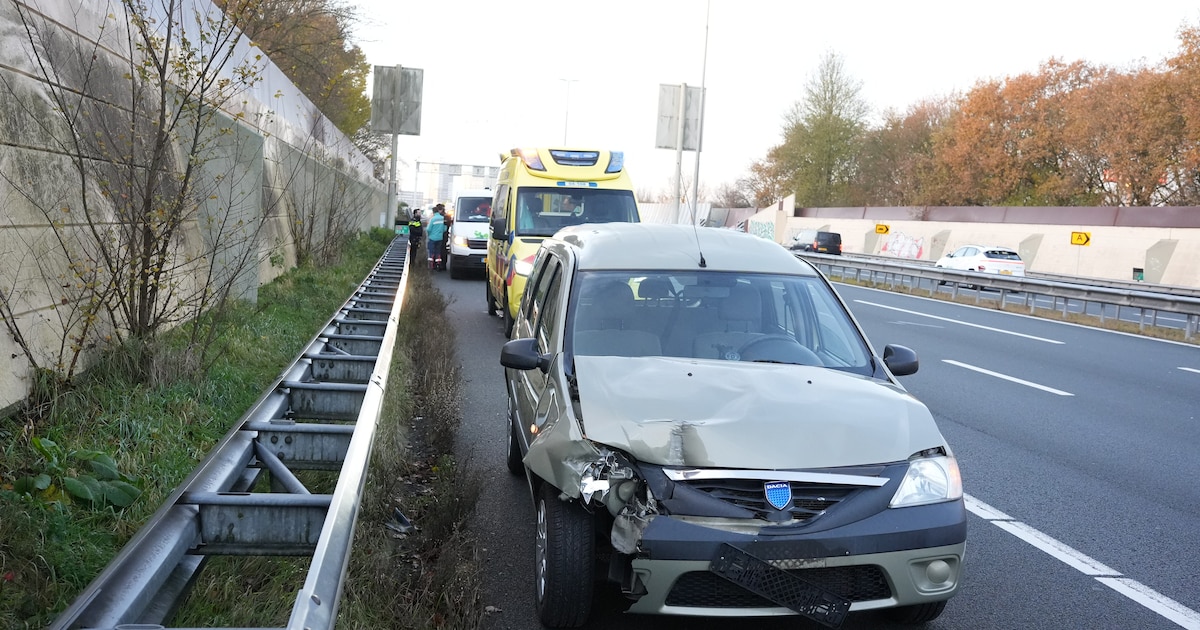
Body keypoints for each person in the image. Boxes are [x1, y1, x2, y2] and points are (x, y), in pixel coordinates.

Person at [426, 204, 447, 270]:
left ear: (433, 212)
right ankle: (438, 265)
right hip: (440, 238)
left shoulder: (433, 219)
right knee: (438, 252)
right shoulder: (442, 218)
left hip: (432, 237)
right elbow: (444, 229)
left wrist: (429, 234)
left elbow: (428, 229)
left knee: (431, 251)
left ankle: (431, 266)